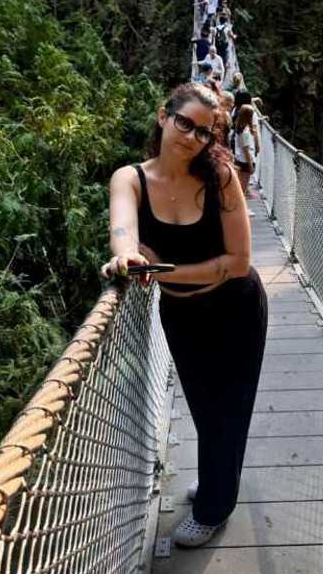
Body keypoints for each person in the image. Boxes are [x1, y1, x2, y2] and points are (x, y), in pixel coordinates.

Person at [101, 83, 267, 548]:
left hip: (237, 308)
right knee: (203, 409)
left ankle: (214, 507)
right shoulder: (130, 178)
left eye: (205, 132)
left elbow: (238, 261)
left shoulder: (219, 177)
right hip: (183, 314)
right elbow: (123, 231)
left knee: (229, 413)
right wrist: (127, 258)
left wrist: (168, 271)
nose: (193, 138)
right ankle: (219, 479)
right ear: (163, 117)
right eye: (185, 124)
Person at [232, 106, 257, 216]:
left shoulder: (239, 127)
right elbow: (246, 150)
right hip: (245, 162)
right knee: (243, 187)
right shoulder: (245, 132)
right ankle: (243, 210)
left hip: (239, 159)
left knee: (241, 185)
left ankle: (239, 208)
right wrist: (250, 165)